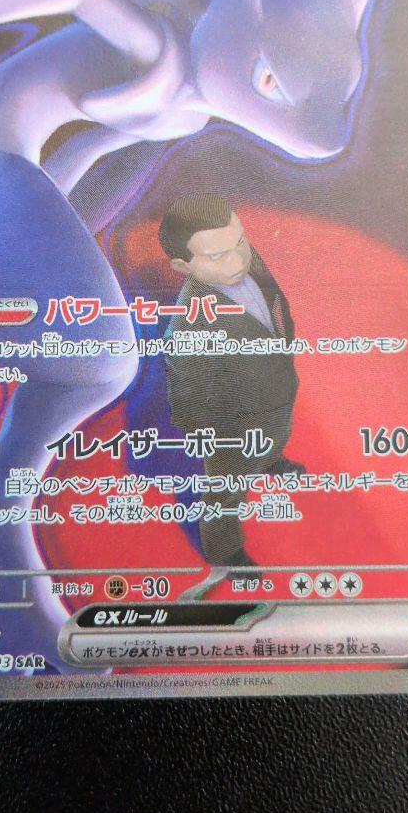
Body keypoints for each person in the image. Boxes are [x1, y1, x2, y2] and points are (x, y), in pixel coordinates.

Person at [158, 194, 302, 583]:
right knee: (225, 491)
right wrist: (221, 442)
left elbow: (274, 300)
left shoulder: (246, 259)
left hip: (274, 392)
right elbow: (190, 404)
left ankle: (270, 460)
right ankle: (225, 551)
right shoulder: (187, 329)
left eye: (240, 242)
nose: (238, 261)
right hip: (232, 429)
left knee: (276, 436)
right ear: (182, 266)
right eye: (218, 256)